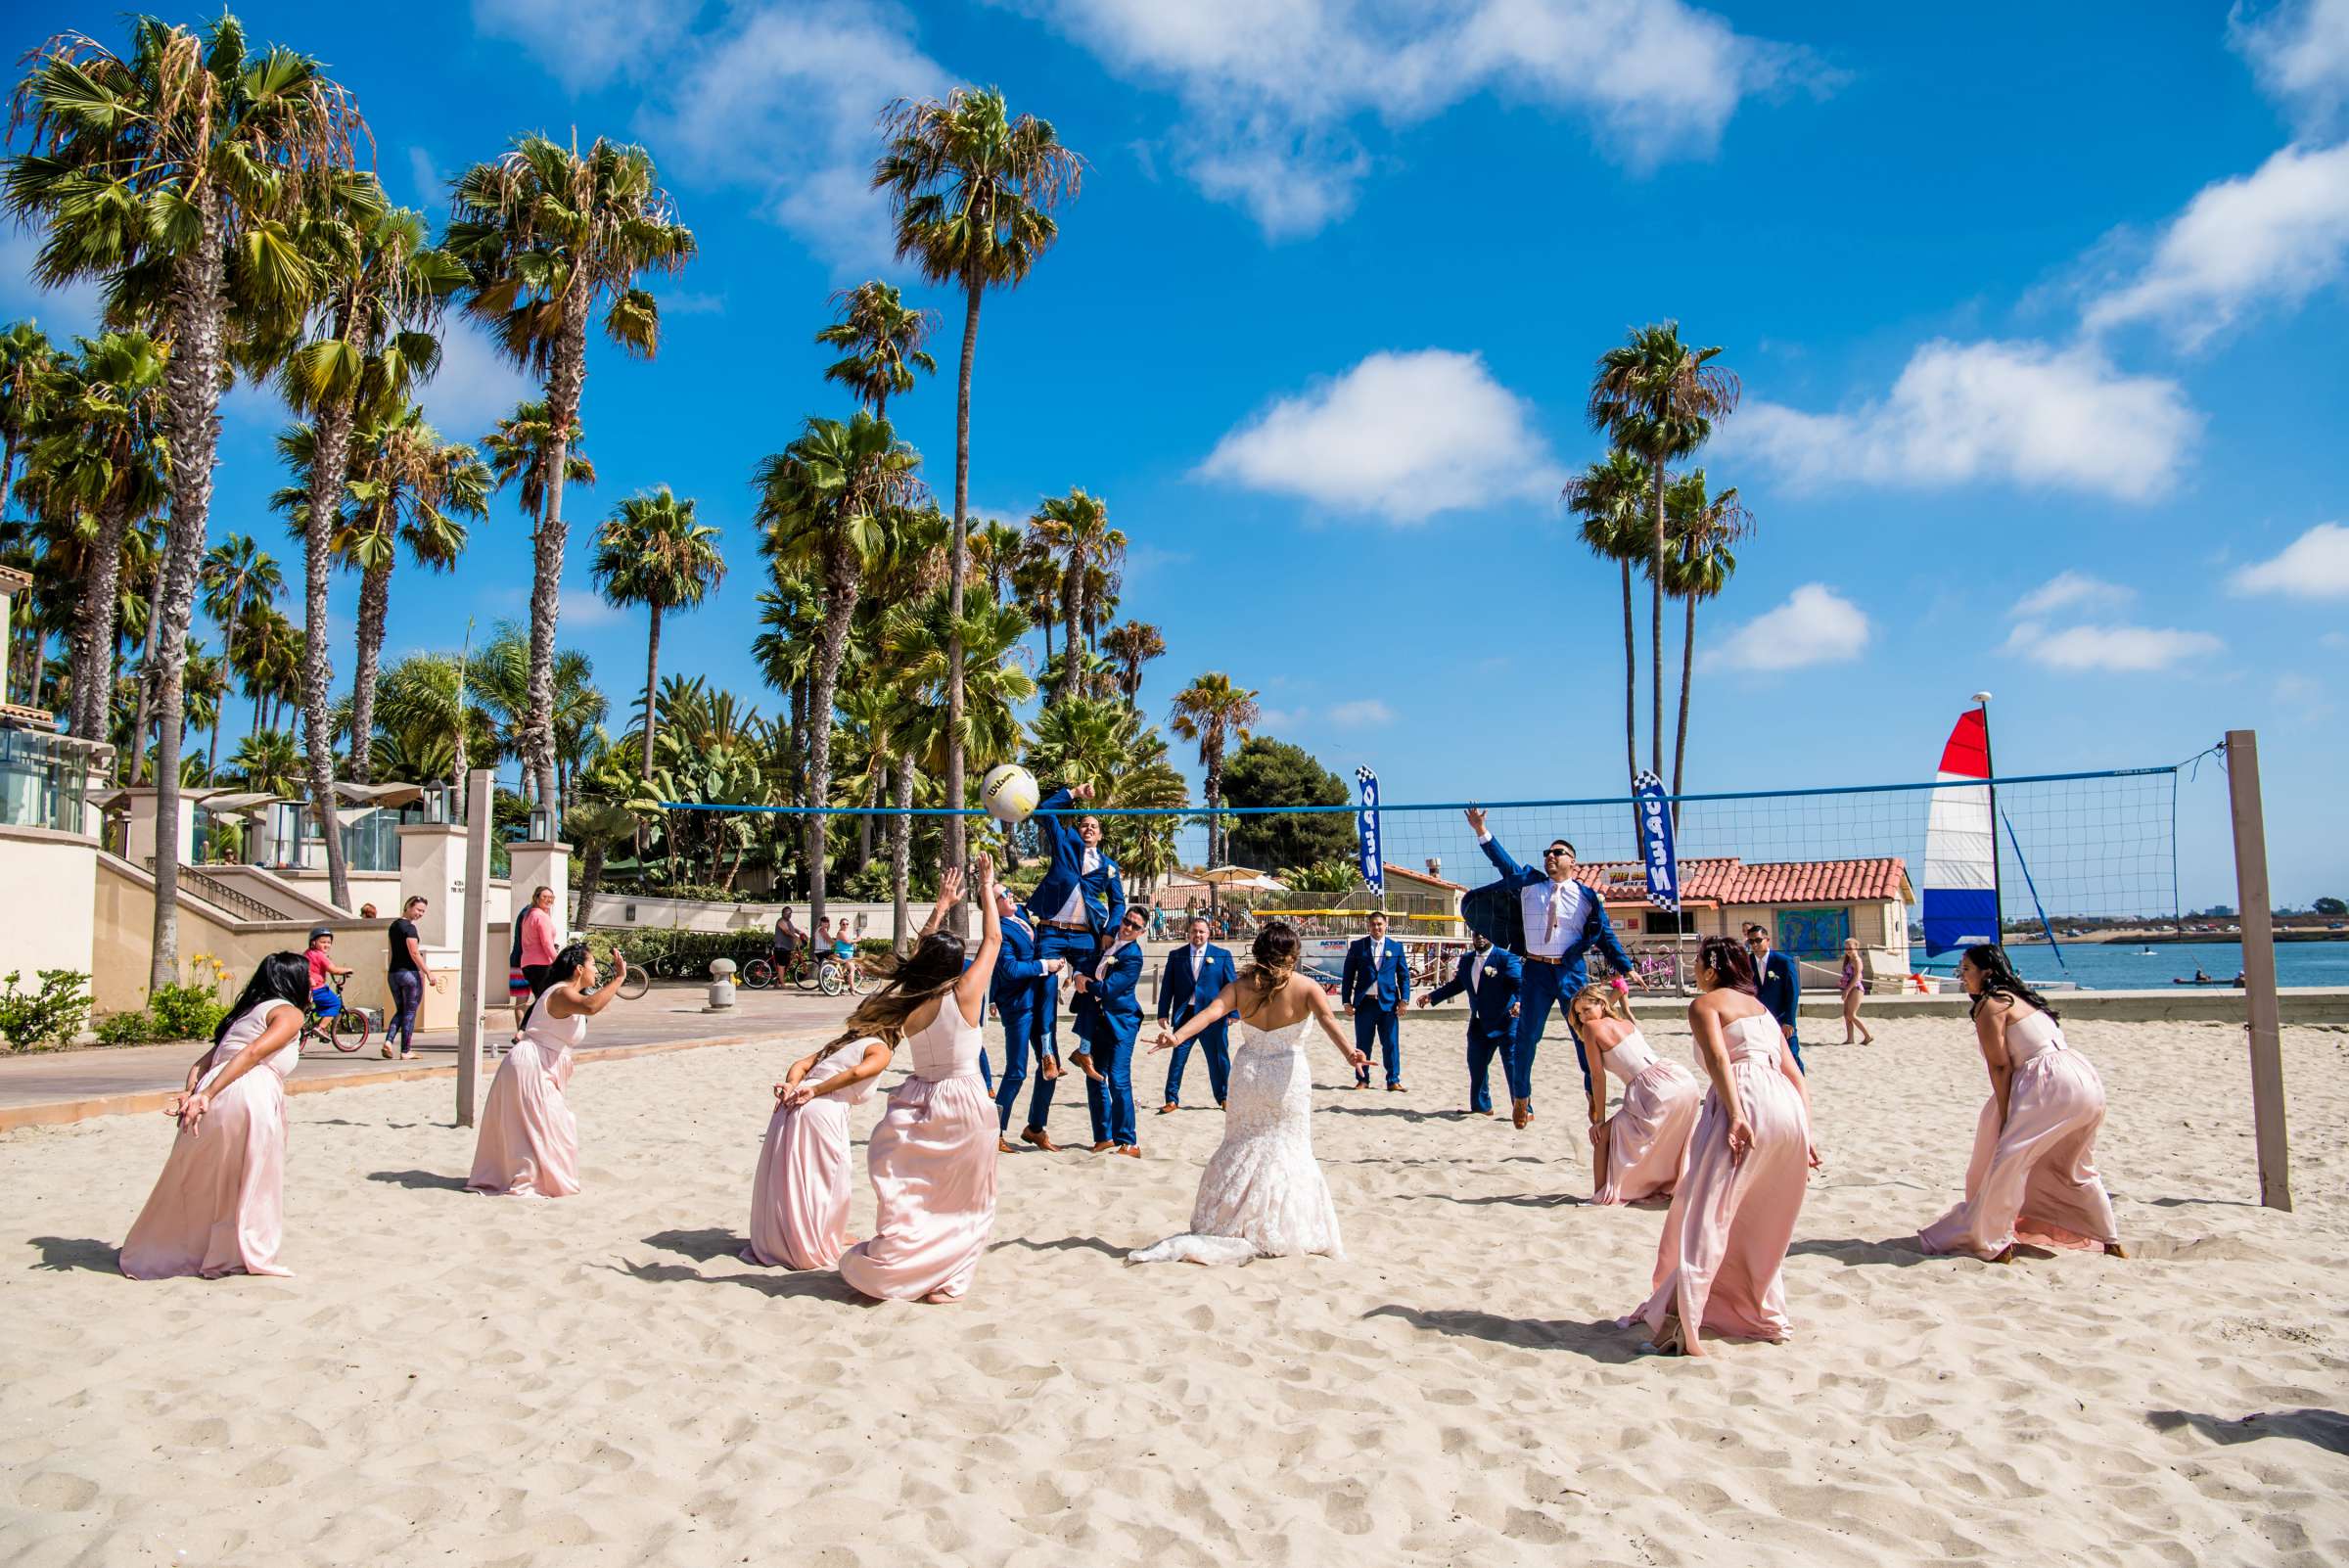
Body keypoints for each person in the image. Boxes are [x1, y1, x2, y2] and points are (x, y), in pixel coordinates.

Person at [1131, 921, 1369, 1265]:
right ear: (1293, 954)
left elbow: (1211, 1012)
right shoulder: (1307, 987)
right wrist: (1351, 1053)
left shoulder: (1240, 987)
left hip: (1247, 1075)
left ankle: (1232, 1217)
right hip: (1286, 1078)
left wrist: (1177, 1037)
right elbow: (1329, 1021)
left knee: (1241, 1143)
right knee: (1288, 1146)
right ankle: (1277, 1223)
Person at [1626, 937, 1818, 1356]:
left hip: (1744, 1098)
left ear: (1711, 969)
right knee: (1760, 1217)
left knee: (1707, 1215)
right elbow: (1797, 1075)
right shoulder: (1763, 1010)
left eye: (1697, 962)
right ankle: (1747, 1307)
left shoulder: (1704, 1005)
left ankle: (1679, 1328)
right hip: (1786, 1106)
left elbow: (1718, 1060)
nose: (1694, 969)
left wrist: (1735, 1113)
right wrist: (1808, 1131)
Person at [839, 857, 1007, 1303]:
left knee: (919, 1193)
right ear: (955, 966)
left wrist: (941, 904)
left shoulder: (908, 997)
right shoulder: (965, 993)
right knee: (968, 1199)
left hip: (917, 1097)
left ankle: (915, 1261)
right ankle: (948, 1278)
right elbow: (994, 937)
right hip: (964, 1098)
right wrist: (986, 886)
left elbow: (920, 956)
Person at [1918, 945, 2124, 1262]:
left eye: (1966, 969)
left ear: (1987, 972)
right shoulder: (2023, 998)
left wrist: (2004, 1113)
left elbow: (2000, 1066)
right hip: (2083, 1078)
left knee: (2006, 1162)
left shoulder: (1991, 1005)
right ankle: (2109, 1239)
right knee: (2074, 1164)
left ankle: (1996, 1241)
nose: (1961, 976)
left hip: (2050, 1083)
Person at [120, 953, 312, 1278]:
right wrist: (204, 1095)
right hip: (247, 1092)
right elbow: (253, 1054)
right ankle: (236, 1253)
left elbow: (203, 1062)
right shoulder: (288, 1013)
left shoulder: (245, 1014)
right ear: (295, 981)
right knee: (251, 1178)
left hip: (215, 1091)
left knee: (205, 1179)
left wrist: (193, 1092)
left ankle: (185, 1249)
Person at [1460, 807, 1641, 1129]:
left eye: (1558, 852)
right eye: (1547, 852)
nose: (1550, 856)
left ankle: (1591, 1094)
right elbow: (1502, 863)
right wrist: (1481, 830)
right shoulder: (1530, 884)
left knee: (1585, 1034)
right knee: (1527, 1037)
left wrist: (1625, 967)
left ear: (1574, 862)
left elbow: (1605, 936)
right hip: (1536, 972)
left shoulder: (1587, 898)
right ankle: (1521, 1098)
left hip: (1570, 970)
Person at [468, 944, 629, 1198]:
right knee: (556, 1124)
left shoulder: (565, 993)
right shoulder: (561, 993)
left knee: (551, 1125)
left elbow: (588, 1005)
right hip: (531, 1064)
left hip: (539, 1064)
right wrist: (620, 978)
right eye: (593, 965)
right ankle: (535, 1179)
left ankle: (535, 1176)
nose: (596, 971)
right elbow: (591, 1006)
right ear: (578, 969)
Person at [744, 1032, 893, 1270]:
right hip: (821, 1108)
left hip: (791, 1103)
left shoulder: (840, 1045)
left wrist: (792, 1085)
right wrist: (817, 1090)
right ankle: (816, 1240)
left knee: (788, 1176)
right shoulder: (880, 1049)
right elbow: (858, 1073)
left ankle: (789, 1238)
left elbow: (800, 1065)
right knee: (828, 1179)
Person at [1024, 780, 1126, 1084]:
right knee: (1046, 988)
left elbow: (1118, 903)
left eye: (1094, 825)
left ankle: (1083, 1051)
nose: (1088, 828)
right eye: (1084, 824)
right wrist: (1075, 794)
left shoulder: (1109, 867)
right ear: (1078, 830)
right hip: (1053, 931)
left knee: (1092, 988)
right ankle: (1047, 1053)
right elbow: (1043, 810)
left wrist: (1109, 931)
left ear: (1101, 834)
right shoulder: (1065, 842)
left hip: (1085, 934)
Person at [1574, 984, 1701, 1205]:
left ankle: (1601, 1196)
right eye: (1578, 1013)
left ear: (1602, 1005)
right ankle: (1661, 1184)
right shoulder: (1624, 1022)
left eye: (1586, 1010)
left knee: (1601, 1135)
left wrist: (1599, 1119)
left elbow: (1597, 1077)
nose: (1583, 1017)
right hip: (1678, 1077)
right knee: (1667, 1138)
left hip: (1653, 1086)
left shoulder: (1591, 1029)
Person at [989, 881, 1068, 1153]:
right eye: (1003, 895)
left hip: (1040, 1001)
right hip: (1018, 1005)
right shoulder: (998, 930)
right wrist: (1045, 965)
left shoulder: (1021, 914)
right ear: (992, 904)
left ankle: (1035, 1128)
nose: (1011, 895)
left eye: (1009, 891)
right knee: (1016, 1071)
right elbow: (1009, 969)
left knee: (1050, 1068)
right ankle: (994, 1131)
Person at [1073, 904, 1150, 1154]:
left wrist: (1086, 983)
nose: (1128, 927)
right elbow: (1084, 961)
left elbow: (1108, 989)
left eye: (1135, 926)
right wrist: (1077, 974)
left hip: (1122, 1024)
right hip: (1099, 1021)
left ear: (1142, 931)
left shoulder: (1133, 956)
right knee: (1095, 1076)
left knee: (1118, 1079)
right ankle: (1103, 1136)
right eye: (1127, 921)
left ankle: (1129, 1141)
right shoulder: (1106, 942)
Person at [1421, 932, 1522, 1116]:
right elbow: (1458, 984)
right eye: (1476, 934)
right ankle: (1481, 1107)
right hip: (1478, 1022)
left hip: (1506, 1022)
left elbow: (1521, 984)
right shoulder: (1467, 959)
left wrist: (1519, 1002)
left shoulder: (1506, 957)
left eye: (1484, 934)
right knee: (1476, 1065)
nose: (1480, 938)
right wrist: (1432, 996)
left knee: (1513, 1066)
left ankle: (1521, 1107)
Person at [1158, 914, 1238, 1113]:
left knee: (1218, 1058)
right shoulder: (1176, 955)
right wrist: (1162, 1012)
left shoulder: (1222, 955)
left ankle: (1225, 1097)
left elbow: (1232, 985)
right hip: (1186, 1014)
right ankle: (1171, 1099)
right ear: (1188, 933)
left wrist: (1233, 1013)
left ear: (1209, 933)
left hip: (1214, 1015)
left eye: (1202, 931)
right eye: (1194, 931)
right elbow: (1167, 986)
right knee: (1178, 1057)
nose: (1198, 935)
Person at [1341, 911, 1412, 1090]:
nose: (1376, 927)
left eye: (1379, 924)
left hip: (1388, 1004)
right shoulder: (1358, 946)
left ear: (1386, 924)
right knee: (1363, 1044)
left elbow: (1404, 976)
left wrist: (1404, 1000)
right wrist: (1346, 1001)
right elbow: (1348, 975)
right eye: (1373, 924)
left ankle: (1393, 1080)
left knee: (1390, 1044)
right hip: (1365, 1004)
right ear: (1368, 926)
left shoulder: (1396, 947)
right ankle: (1363, 1080)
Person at [385, 896, 442, 1061]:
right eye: (418, 910)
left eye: (423, 911)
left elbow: (391, 952)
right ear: (408, 906)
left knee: (401, 1011)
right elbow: (414, 953)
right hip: (409, 974)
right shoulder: (409, 928)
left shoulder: (393, 926)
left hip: (393, 973)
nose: (420, 914)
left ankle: (388, 1042)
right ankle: (406, 1050)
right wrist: (428, 972)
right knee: (410, 1012)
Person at [1746, 924, 1805, 1071]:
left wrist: (1789, 1021)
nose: (1755, 944)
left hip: (1781, 1018)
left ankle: (1800, 1090)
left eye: (1758, 940)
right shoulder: (1746, 963)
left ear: (1767, 940)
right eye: (1751, 941)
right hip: (1758, 1020)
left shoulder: (1783, 962)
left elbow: (1793, 992)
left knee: (1791, 1056)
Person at [511, 885, 560, 1044]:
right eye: (545, 897)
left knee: (526, 1001)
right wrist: (557, 961)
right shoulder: (540, 916)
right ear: (536, 897)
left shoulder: (528, 914)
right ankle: (524, 1032)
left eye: (551, 898)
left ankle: (523, 1035)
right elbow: (546, 943)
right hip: (540, 963)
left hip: (524, 962)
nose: (548, 900)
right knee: (544, 1000)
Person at [304, 927, 351, 1022]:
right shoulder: (320, 956)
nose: (326, 945)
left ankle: (316, 1026)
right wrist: (347, 970)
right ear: (313, 942)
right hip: (317, 989)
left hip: (306, 988)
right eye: (323, 942)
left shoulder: (308, 953)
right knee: (335, 1004)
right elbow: (333, 970)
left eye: (329, 942)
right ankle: (321, 1028)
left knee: (323, 1004)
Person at [1838, 938, 1874, 1046]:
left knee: (1851, 1015)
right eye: (1846, 948)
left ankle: (1868, 1035)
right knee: (1846, 1014)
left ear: (1856, 948)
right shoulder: (1848, 959)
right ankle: (1850, 1039)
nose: (1848, 950)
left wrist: (1847, 990)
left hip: (1856, 988)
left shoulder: (1857, 960)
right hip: (1849, 987)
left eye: (1850, 947)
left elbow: (1856, 977)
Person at [772, 906, 805, 978]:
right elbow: (787, 931)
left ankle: (777, 983)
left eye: (790, 913)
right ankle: (783, 985)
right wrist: (796, 937)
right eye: (787, 912)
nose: (789, 914)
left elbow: (792, 929)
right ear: (783, 913)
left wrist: (800, 932)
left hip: (787, 947)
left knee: (785, 965)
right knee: (782, 966)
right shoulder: (781, 921)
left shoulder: (788, 921)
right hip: (781, 946)